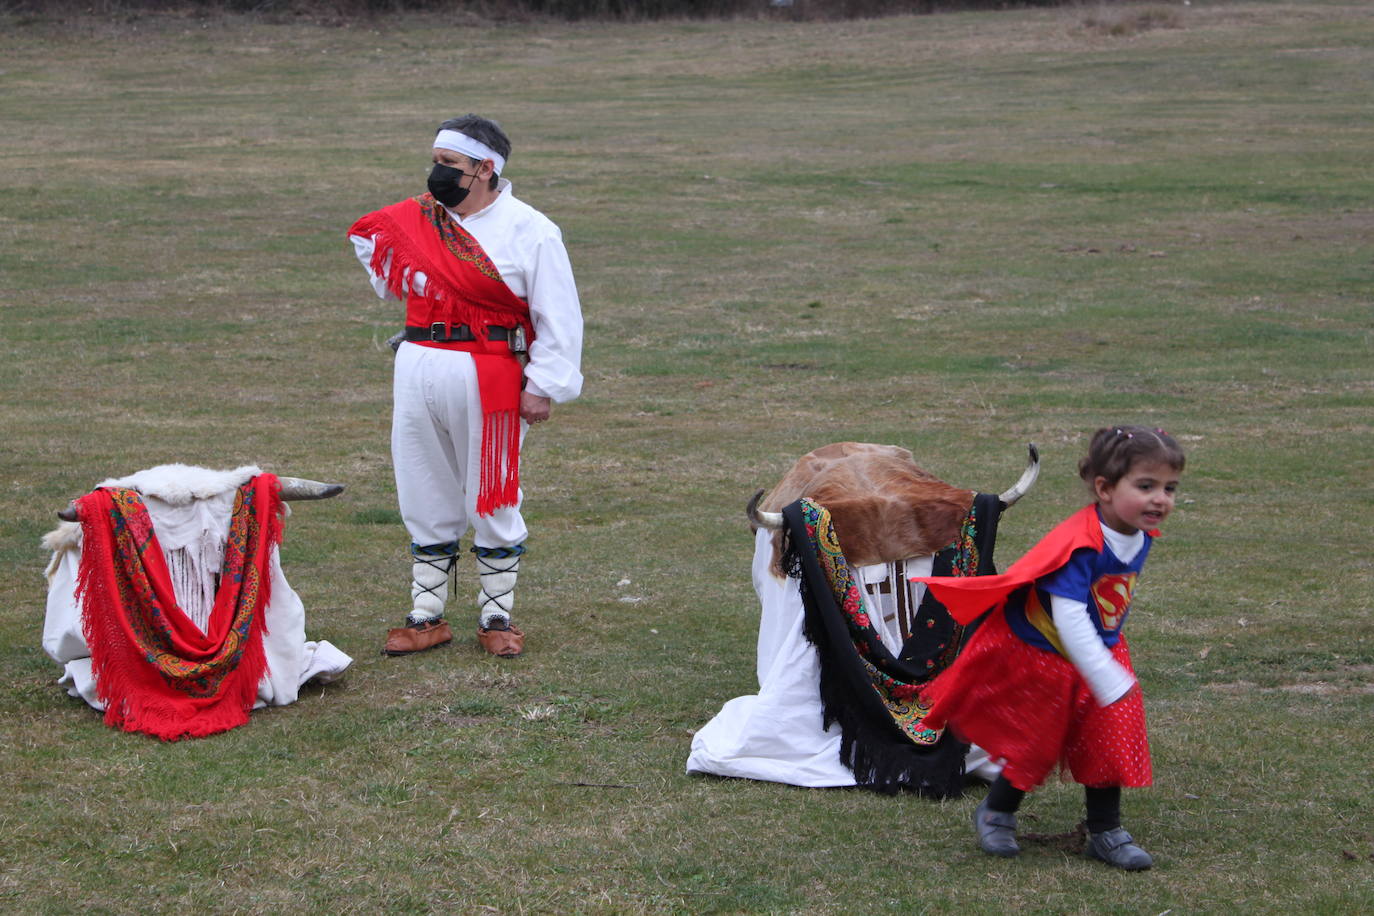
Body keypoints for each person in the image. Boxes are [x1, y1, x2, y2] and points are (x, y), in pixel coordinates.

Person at [347, 114, 583, 658]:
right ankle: (426, 614)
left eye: (449, 164)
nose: (437, 172)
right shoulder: (417, 222)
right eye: (435, 161)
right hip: (419, 363)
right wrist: (410, 237)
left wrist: (542, 384)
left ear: (485, 168)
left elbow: (559, 317)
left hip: (492, 372)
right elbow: (382, 272)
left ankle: (496, 616)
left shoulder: (532, 229)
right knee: (422, 482)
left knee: (492, 491)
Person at [912, 426, 1185, 870]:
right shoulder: (1080, 544)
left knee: (1108, 739)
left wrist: (1103, 666)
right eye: (1146, 486)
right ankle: (997, 810)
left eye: (1169, 489)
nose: (1160, 499)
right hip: (1044, 652)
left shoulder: (1138, 530)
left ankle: (1105, 830)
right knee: (1033, 742)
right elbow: (1070, 616)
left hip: (1100, 650)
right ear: (1105, 488)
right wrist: (1103, 674)